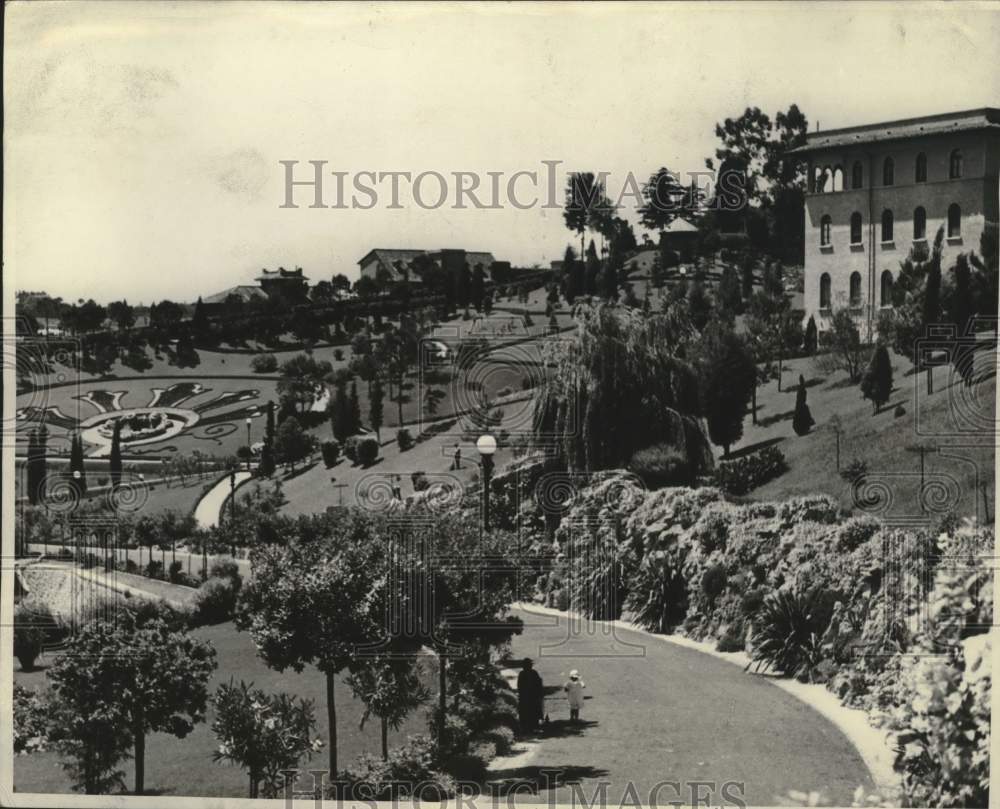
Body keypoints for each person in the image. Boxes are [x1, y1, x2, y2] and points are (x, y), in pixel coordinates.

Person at [516, 657, 544, 735]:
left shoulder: (525, 673)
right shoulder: (531, 673)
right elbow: (538, 684)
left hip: (528, 696)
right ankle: (530, 727)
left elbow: (519, 686)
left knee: (528, 712)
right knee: (531, 711)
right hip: (529, 696)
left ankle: (528, 727)